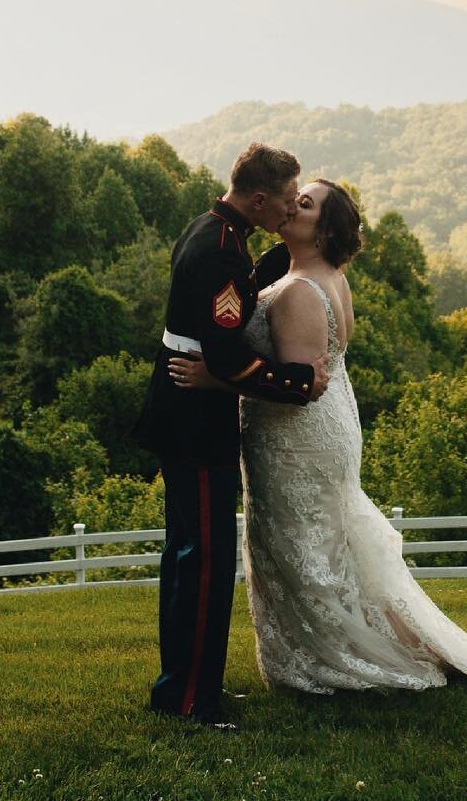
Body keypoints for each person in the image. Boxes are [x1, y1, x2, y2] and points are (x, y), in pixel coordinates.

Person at [171, 180, 467, 694]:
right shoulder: (326, 276)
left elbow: (300, 386)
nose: (293, 205)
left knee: (302, 547)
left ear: (324, 231)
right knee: (324, 539)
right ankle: (373, 640)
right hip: (330, 427)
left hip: (296, 436)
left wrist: (215, 377)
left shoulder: (298, 290)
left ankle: (333, 657)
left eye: (306, 204)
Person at [134, 143, 331, 728]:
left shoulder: (214, 228)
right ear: (260, 198)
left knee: (186, 555)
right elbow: (225, 355)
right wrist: (297, 381)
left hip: (182, 409)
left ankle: (179, 686)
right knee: (205, 562)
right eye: (287, 200)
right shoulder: (222, 250)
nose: (291, 209)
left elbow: (236, 285)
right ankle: (193, 700)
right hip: (195, 416)